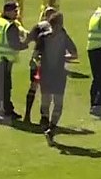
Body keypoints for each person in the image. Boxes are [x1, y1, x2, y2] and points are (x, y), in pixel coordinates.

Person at [31, 10, 78, 144]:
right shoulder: (63, 36)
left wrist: (39, 61)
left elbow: (35, 56)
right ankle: (51, 128)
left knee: (46, 101)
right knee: (57, 104)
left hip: (46, 73)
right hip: (58, 75)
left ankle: (47, 125)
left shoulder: (43, 37)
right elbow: (74, 54)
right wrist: (64, 58)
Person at [0, 1, 32, 123]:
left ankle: (7, 110)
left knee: (3, 86)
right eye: (14, 11)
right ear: (7, 11)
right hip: (4, 60)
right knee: (0, 88)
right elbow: (15, 44)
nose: (17, 13)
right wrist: (26, 44)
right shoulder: (10, 26)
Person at [24, 6, 56, 122]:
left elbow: (27, 40)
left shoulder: (38, 26)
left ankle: (27, 115)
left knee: (33, 86)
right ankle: (44, 118)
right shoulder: (57, 28)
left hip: (37, 61)